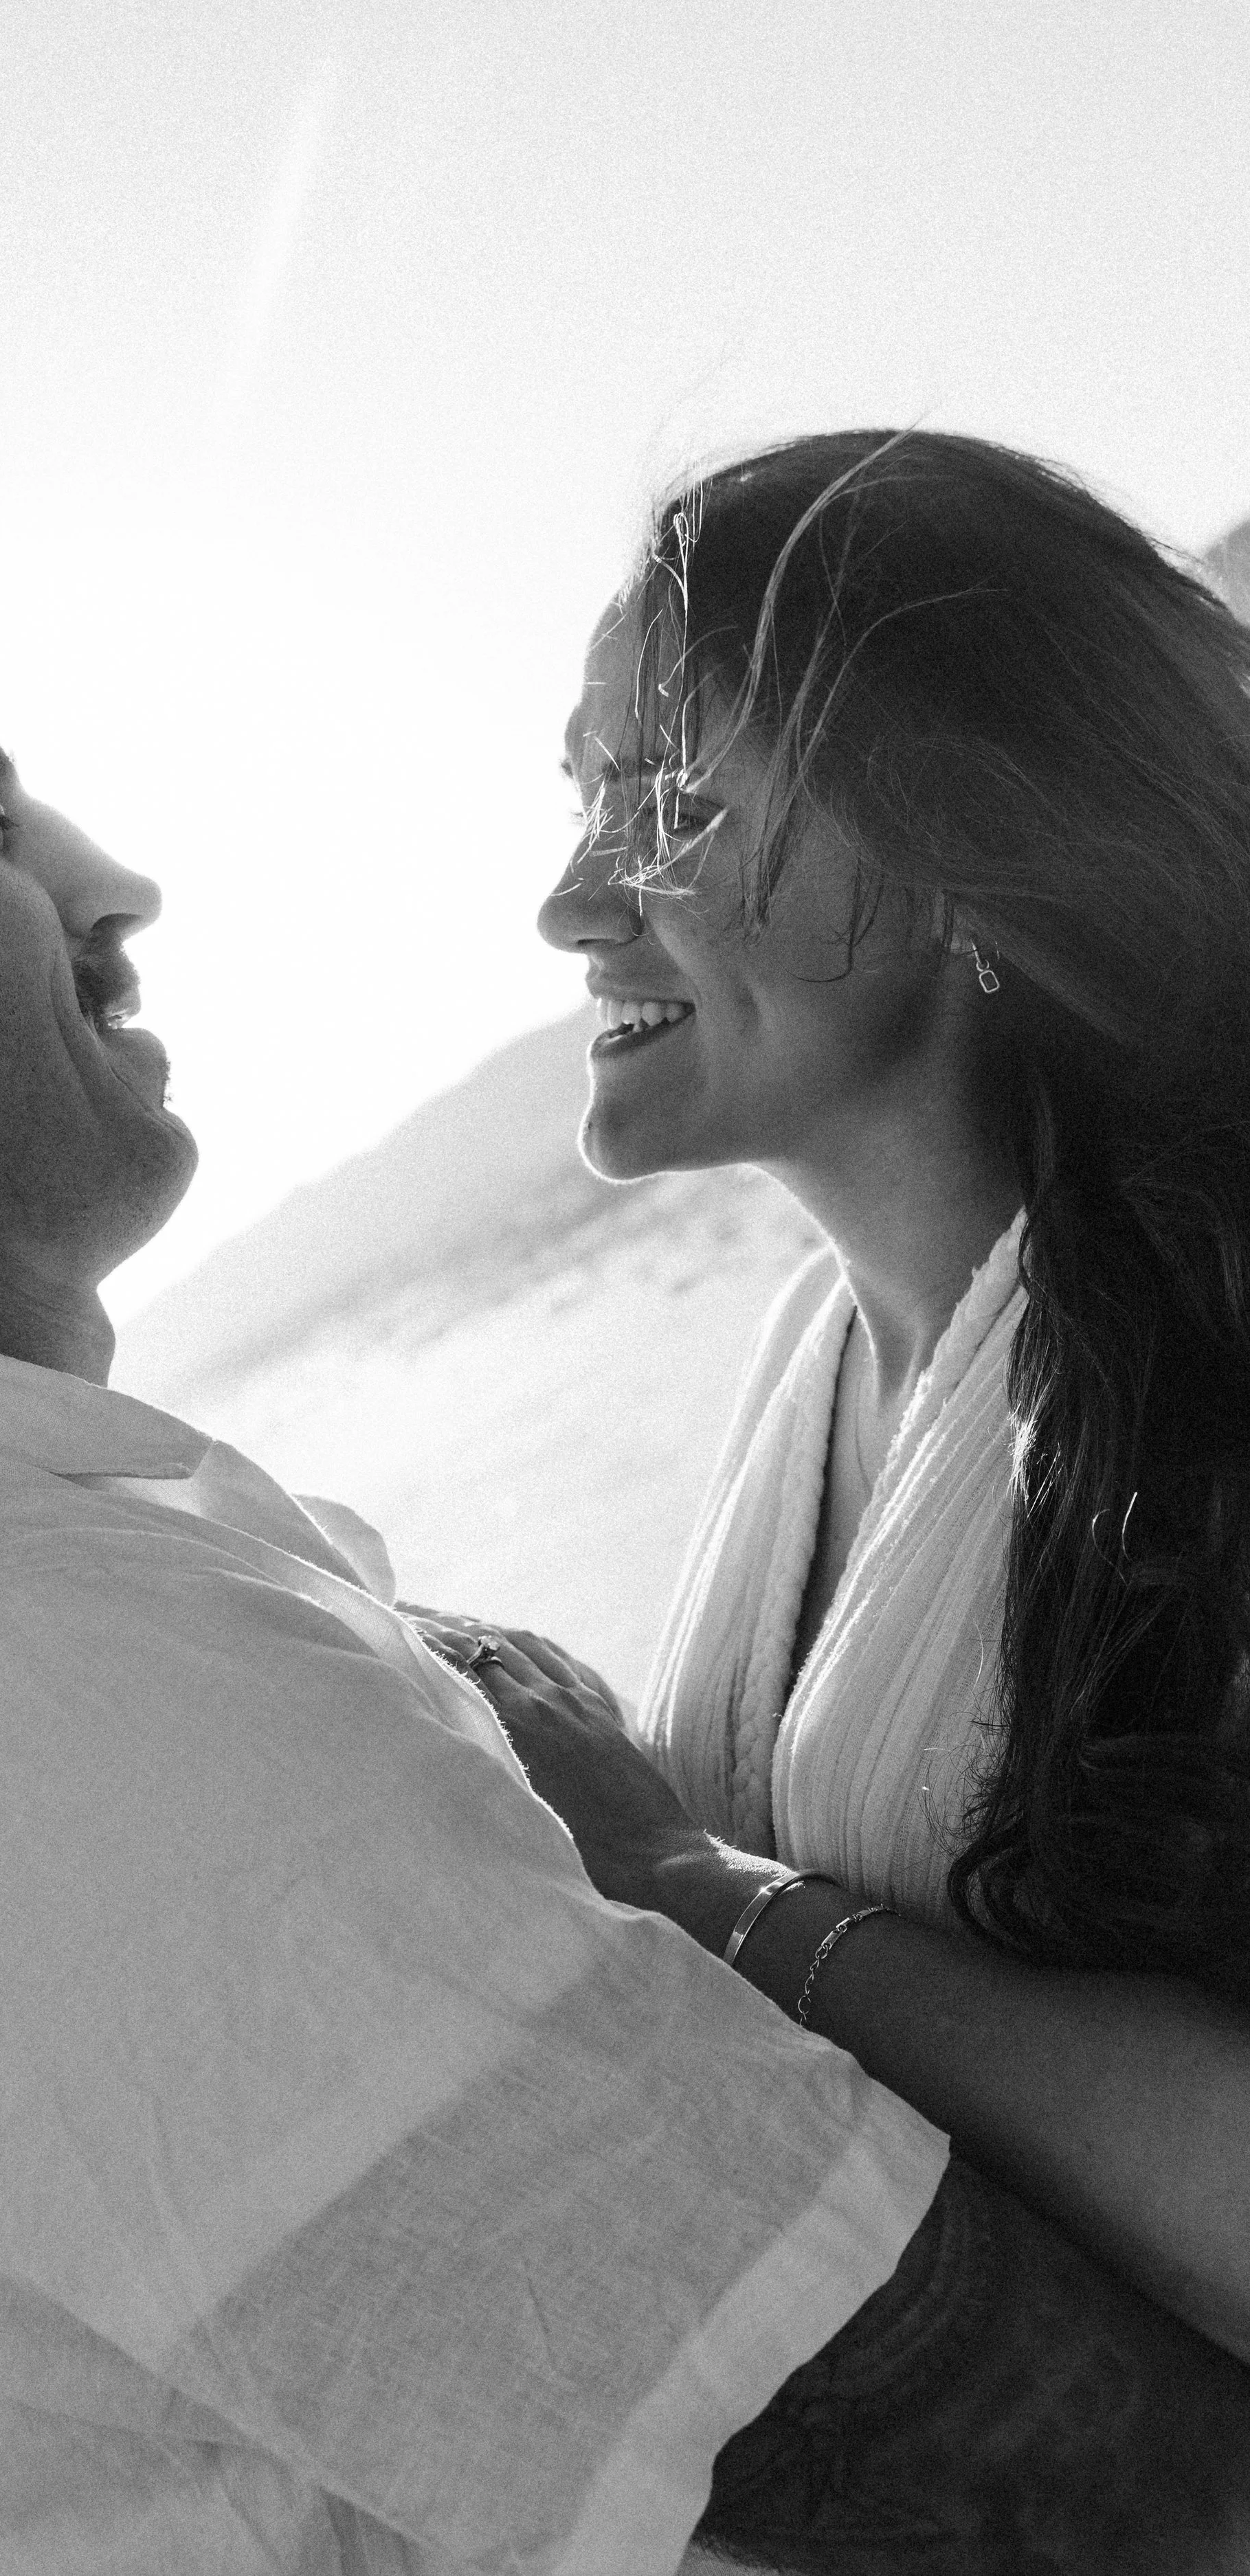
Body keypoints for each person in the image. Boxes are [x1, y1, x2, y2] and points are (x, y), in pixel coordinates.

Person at [0, 541, 1245, 2576]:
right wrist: (682, 1885)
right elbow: (1096, 2514)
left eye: (668, 794)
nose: (112, 885)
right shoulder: (0, 1697)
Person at [451, 429, 1250, 2383]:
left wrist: (686, 1887)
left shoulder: (1212, 1340)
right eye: (579, 798)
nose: (570, 901)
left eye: (665, 801)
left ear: (954, 831)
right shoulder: (805, 1372)